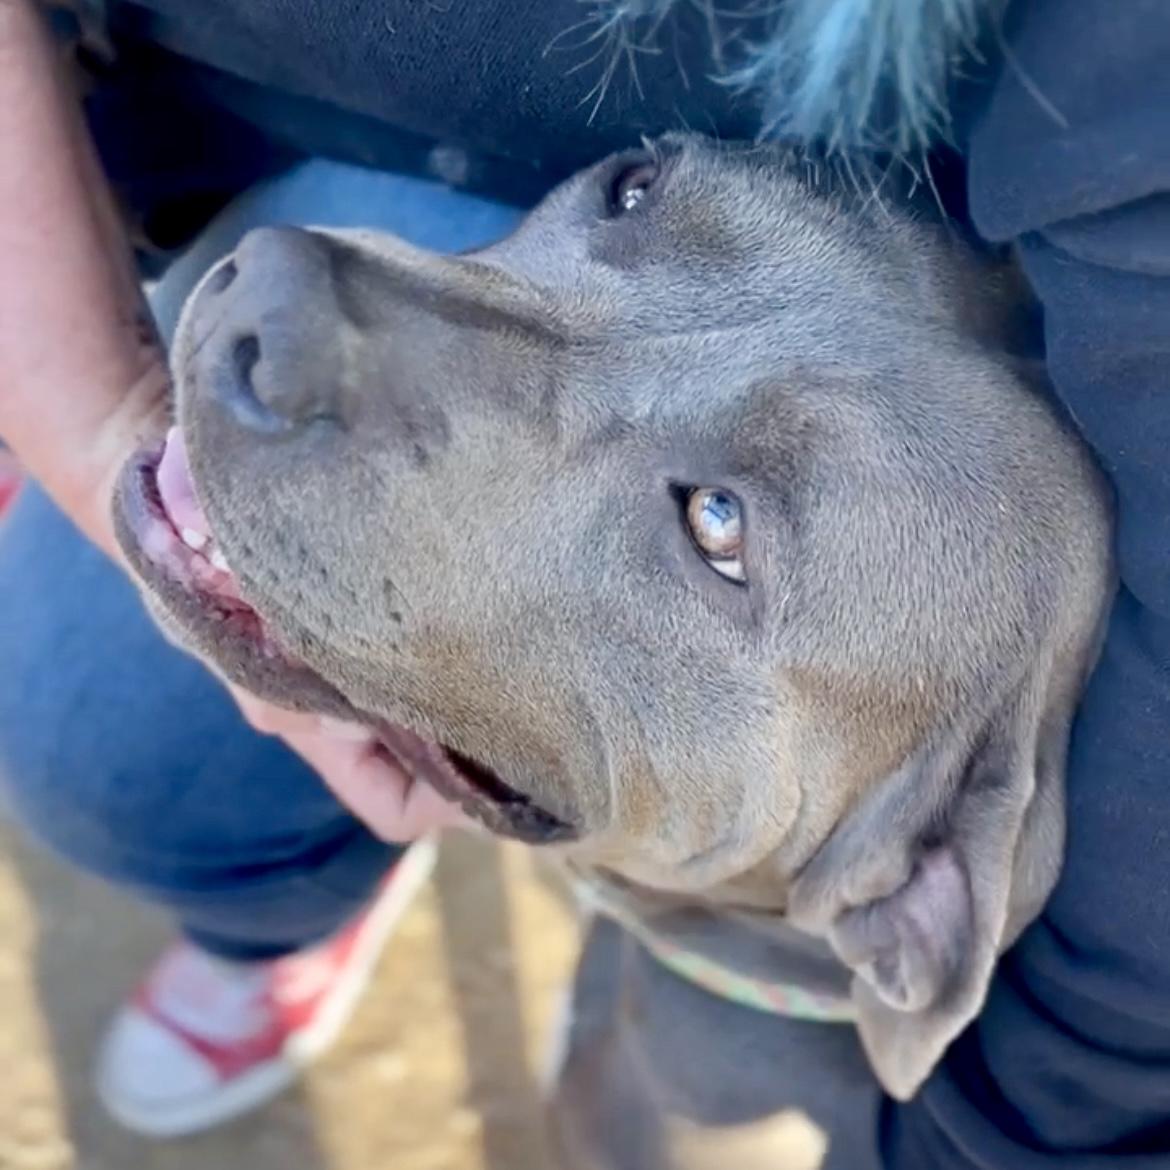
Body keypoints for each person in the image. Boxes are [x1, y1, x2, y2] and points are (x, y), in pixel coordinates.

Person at [0, 0, 1167, 1163]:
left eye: (719, 526)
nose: (283, 301)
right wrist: (100, 416)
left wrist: (1018, 1126)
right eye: (638, 197)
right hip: (239, 114)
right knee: (118, 767)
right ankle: (278, 915)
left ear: (911, 892)